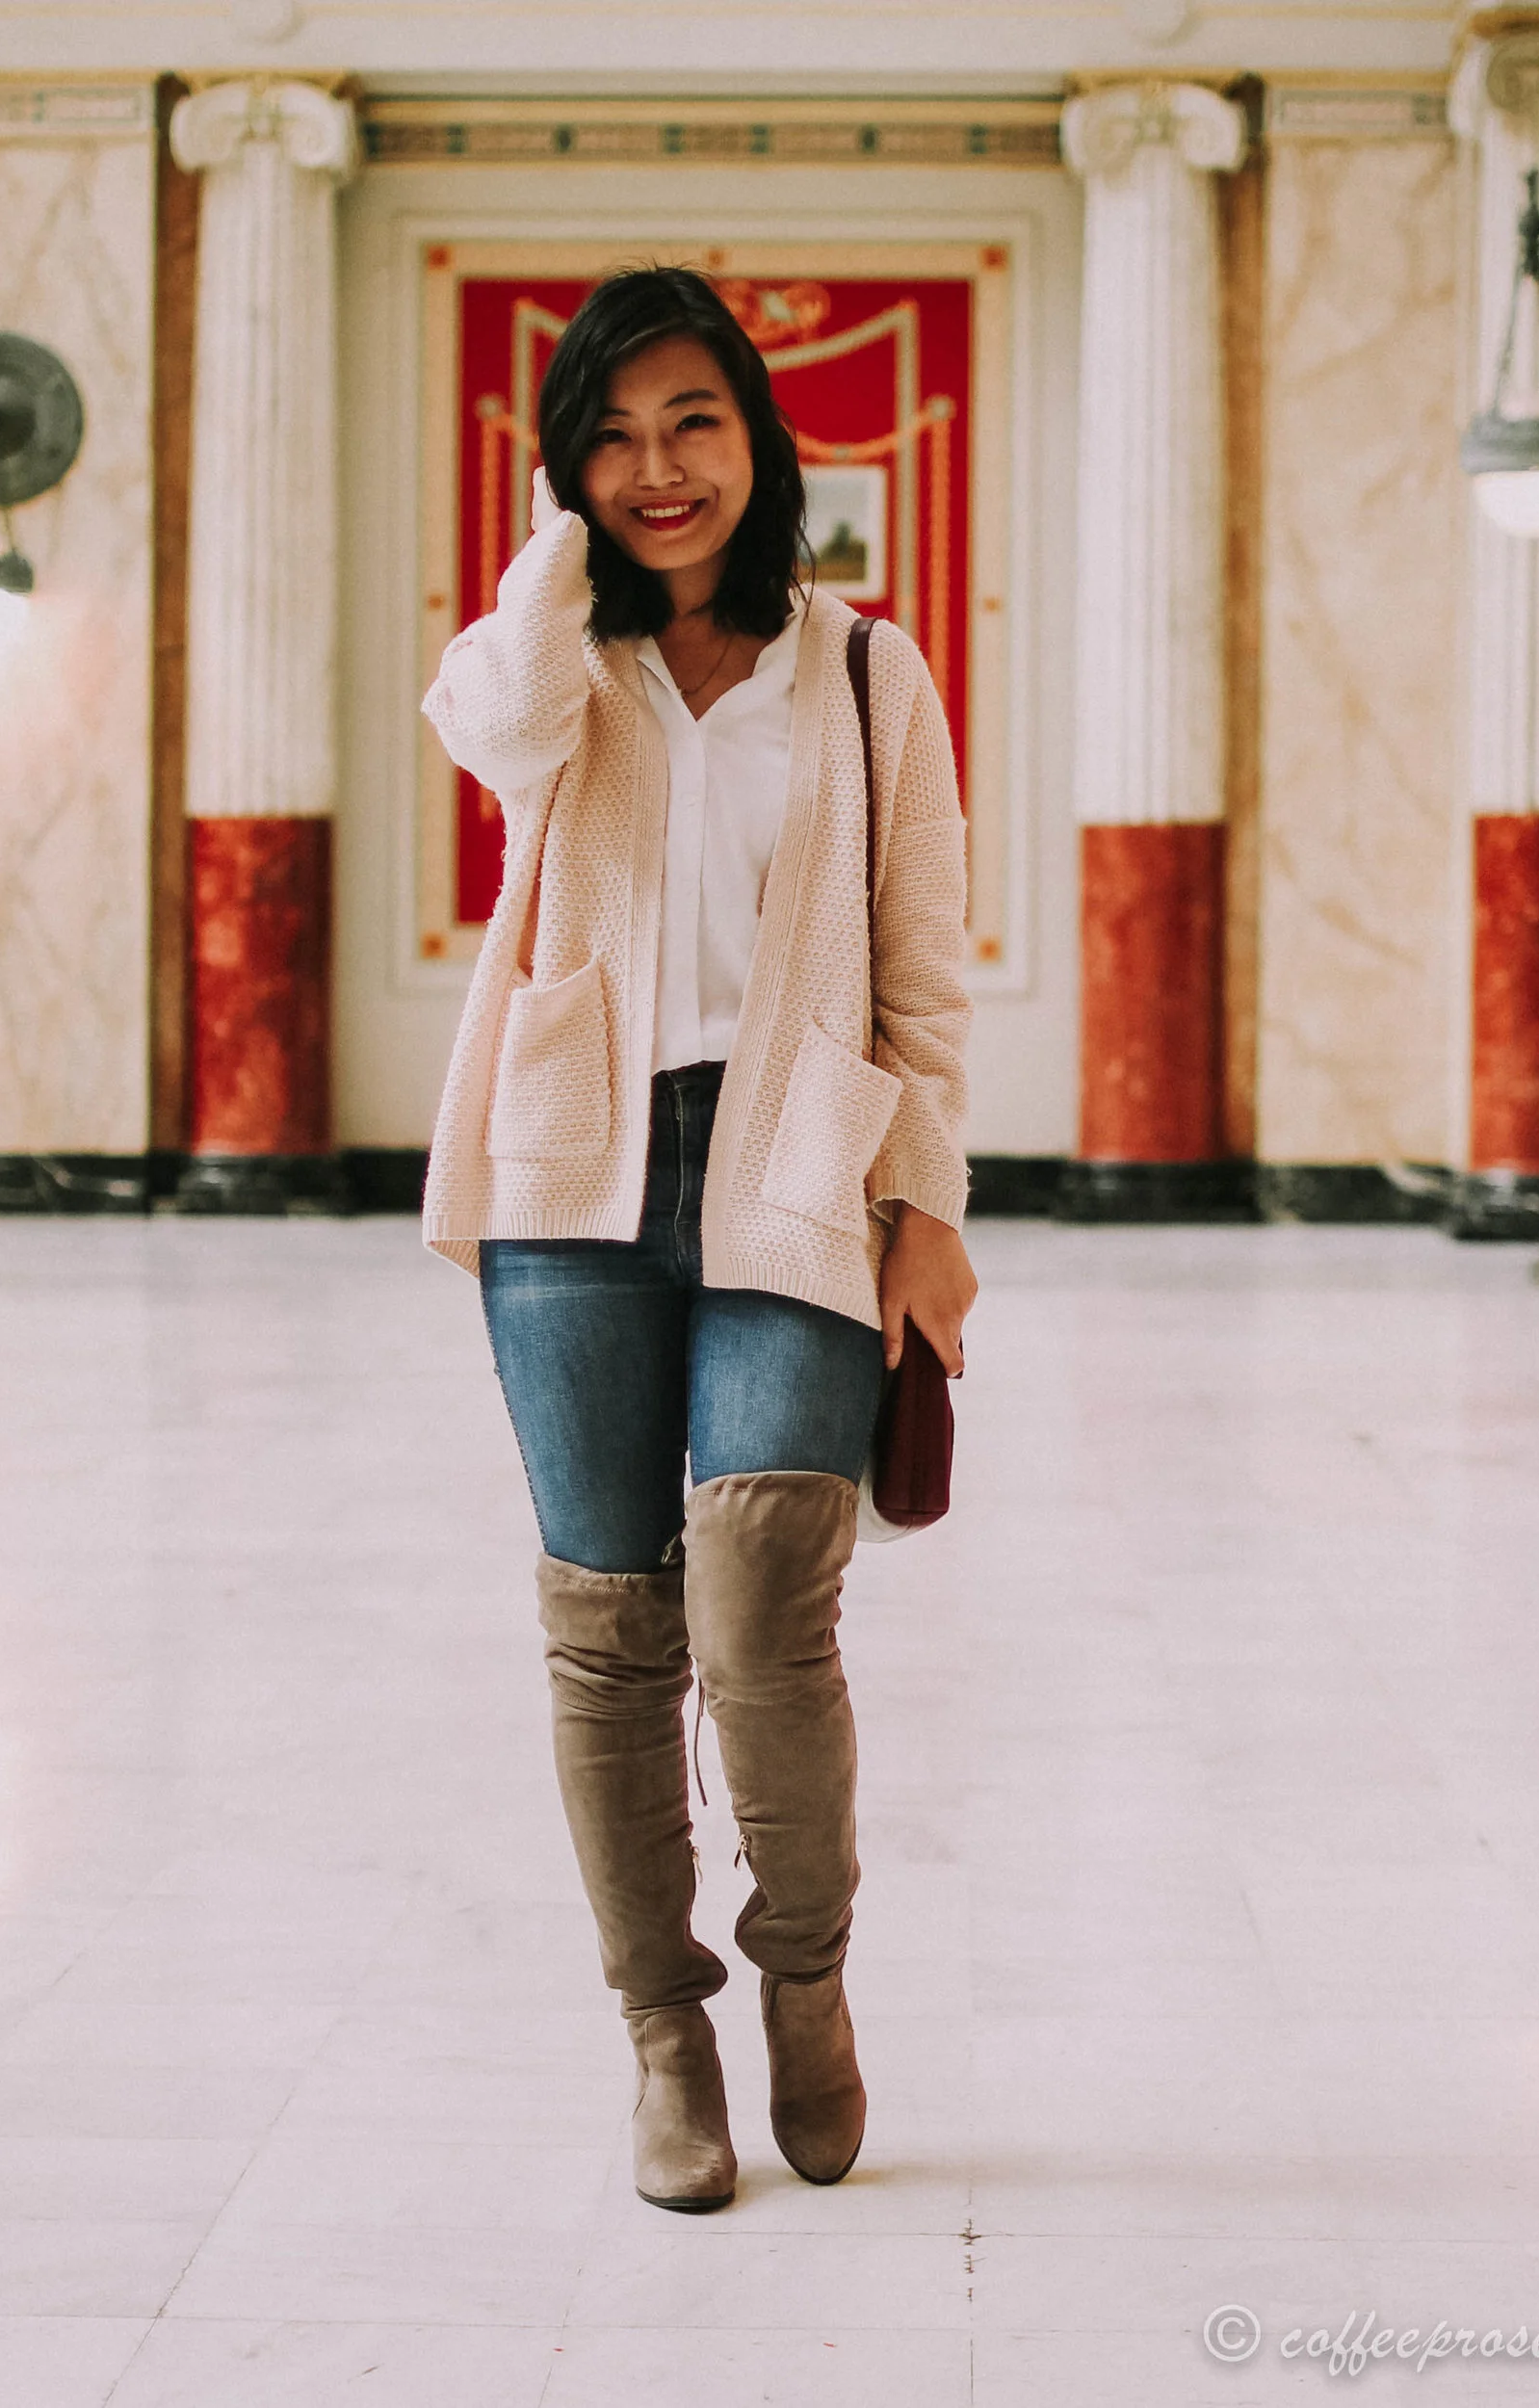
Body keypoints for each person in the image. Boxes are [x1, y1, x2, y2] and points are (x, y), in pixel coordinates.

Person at [421, 266, 976, 2213]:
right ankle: (663, 2027)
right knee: (604, 1629)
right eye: (614, 432)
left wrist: (931, 1214)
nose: (660, 468)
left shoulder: (861, 667)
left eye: (693, 423)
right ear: (570, 464)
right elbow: (484, 733)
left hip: (800, 1167)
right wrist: (558, 569)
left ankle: (801, 1982)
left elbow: (924, 975)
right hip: (567, 1177)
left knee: (757, 1601)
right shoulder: (557, 656)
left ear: (759, 437)